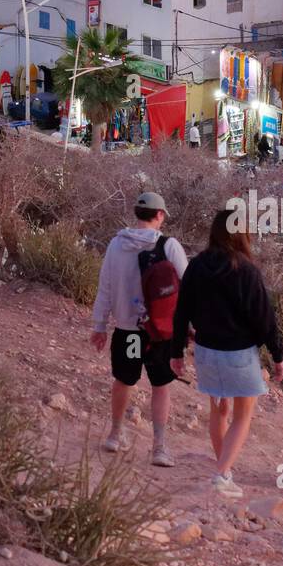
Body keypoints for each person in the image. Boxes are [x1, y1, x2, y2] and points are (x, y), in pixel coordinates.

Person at [171, 210, 283, 498]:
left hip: (207, 352)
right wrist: (277, 354)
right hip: (239, 354)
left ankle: (226, 471)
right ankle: (222, 475)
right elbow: (264, 318)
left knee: (218, 411)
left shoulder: (196, 267)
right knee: (242, 416)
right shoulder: (246, 271)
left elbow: (181, 312)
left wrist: (176, 352)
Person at [90, 192, 189, 465]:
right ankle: (159, 447)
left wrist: (99, 325)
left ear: (136, 213)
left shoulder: (115, 245)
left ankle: (114, 434)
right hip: (158, 331)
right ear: (159, 215)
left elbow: (105, 288)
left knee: (124, 380)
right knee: (161, 385)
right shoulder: (168, 246)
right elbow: (190, 286)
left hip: (127, 331)